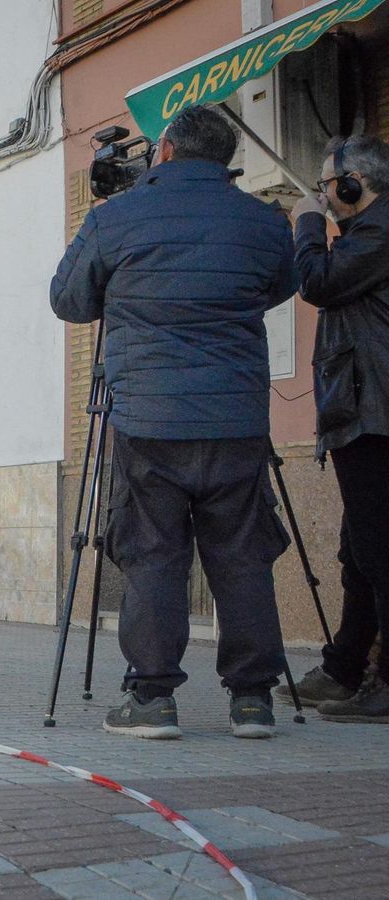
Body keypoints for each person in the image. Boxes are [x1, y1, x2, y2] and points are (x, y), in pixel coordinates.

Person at [50, 105, 298, 740]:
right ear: (224, 159)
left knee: (154, 553)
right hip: (235, 417)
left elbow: (70, 300)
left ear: (163, 153)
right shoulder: (265, 222)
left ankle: (153, 698)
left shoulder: (115, 218)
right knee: (242, 556)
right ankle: (252, 701)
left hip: (147, 417)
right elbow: (276, 287)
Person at [287, 134, 389, 724]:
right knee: (361, 550)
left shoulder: (378, 233)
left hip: (376, 413)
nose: (324, 196)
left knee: (379, 552)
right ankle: (345, 667)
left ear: (357, 186)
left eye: (329, 186)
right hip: (365, 410)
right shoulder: (367, 237)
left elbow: (316, 282)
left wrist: (305, 224)